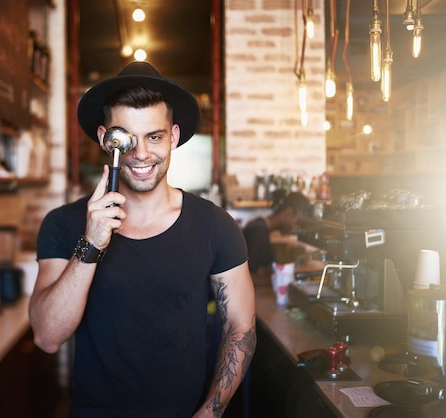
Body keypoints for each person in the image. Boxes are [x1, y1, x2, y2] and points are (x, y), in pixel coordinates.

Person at [28, 61, 256, 418]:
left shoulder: (215, 225)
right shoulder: (64, 224)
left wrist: (211, 413)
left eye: (155, 136)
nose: (142, 154)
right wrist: (91, 243)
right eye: (126, 139)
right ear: (106, 139)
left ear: (174, 137)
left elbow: (240, 327)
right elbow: (47, 336)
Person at [242, 191, 311, 287]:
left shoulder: (259, 226)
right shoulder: (257, 232)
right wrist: (283, 280)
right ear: (288, 213)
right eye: (298, 221)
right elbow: (247, 277)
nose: (298, 227)